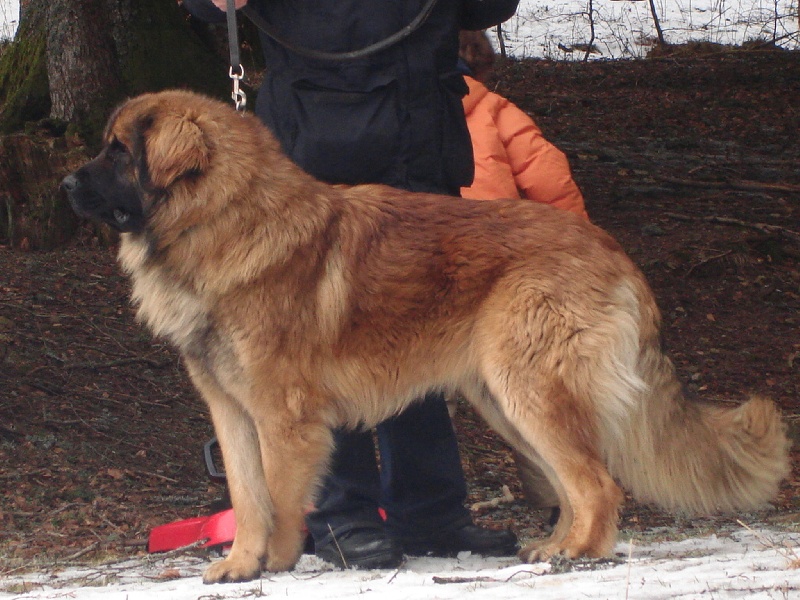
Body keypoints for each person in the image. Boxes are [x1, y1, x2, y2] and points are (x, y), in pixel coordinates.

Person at [182, 0, 521, 571]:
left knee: (422, 336)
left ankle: (432, 513)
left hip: (419, 136)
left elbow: (491, 7)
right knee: (311, 353)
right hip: (310, 148)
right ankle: (343, 516)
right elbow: (214, 10)